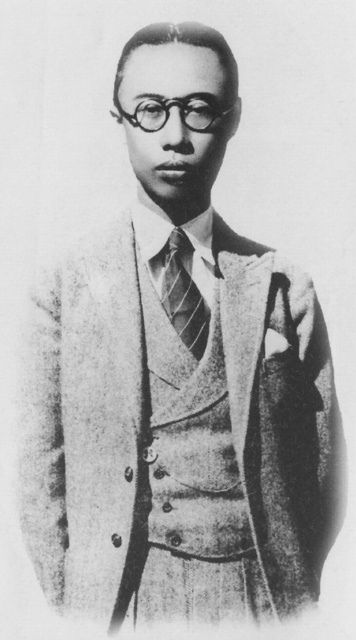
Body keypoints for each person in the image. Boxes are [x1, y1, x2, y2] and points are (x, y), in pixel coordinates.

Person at [18, 21, 346, 635]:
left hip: (260, 603)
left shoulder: (281, 286)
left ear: (233, 118)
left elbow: (324, 478)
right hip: (123, 606)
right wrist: (83, 612)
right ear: (117, 115)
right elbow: (42, 484)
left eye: (199, 111)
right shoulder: (63, 293)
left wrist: (290, 595)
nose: (175, 137)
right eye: (150, 111)